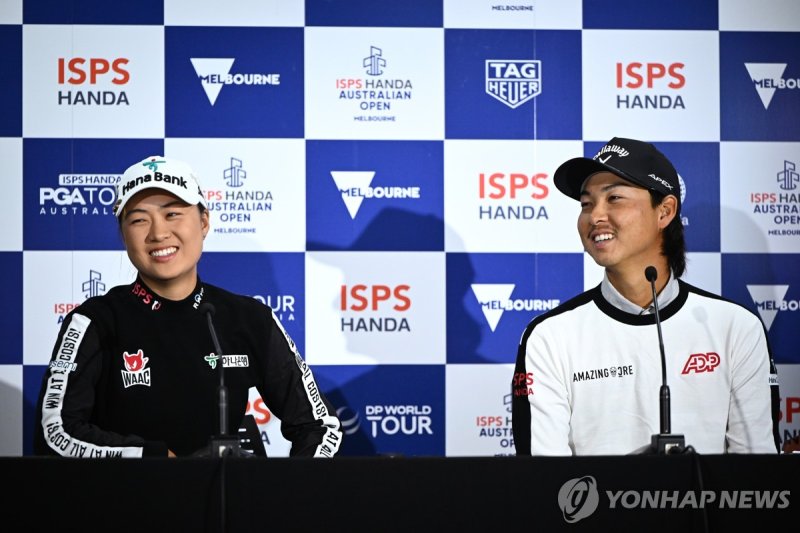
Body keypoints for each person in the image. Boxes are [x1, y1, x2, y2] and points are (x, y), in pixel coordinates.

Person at [34, 156, 343, 458]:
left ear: (204, 221)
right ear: (123, 234)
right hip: (122, 504)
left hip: (223, 506)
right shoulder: (93, 321)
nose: (158, 234)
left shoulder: (249, 318)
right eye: (139, 219)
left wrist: (287, 495)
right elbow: (55, 434)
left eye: (172, 215)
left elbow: (321, 426)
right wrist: (155, 459)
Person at [511, 137, 781, 455]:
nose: (595, 216)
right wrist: (636, 481)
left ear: (664, 212)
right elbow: (541, 482)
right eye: (586, 204)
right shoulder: (549, 336)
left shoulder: (735, 327)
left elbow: (758, 476)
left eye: (614, 198)